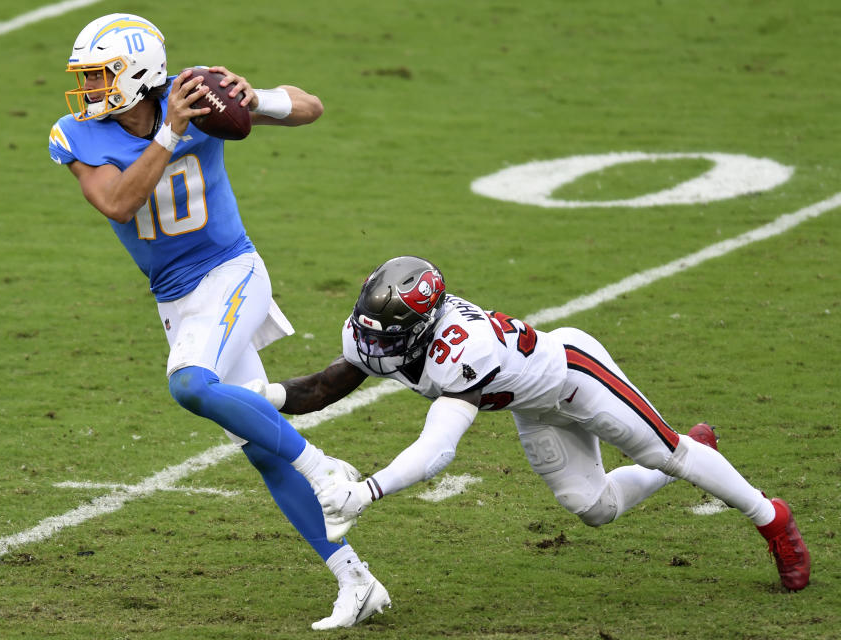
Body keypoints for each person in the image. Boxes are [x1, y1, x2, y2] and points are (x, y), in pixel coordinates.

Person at [46, 14, 390, 629]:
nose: (92, 89)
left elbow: (311, 107)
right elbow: (119, 204)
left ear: (141, 74)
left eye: (102, 75)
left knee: (189, 383)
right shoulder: (78, 134)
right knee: (261, 449)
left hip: (233, 273)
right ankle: (355, 580)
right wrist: (170, 135)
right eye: (88, 77)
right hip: (175, 299)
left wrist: (256, 99)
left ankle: (323, 467)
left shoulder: (198, 95)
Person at [249, 255, 811, 592]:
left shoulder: (460, 350)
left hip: (574, 378)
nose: (372, 344)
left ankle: (773, 520)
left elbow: (439, 447)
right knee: (596, 509)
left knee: (669, 454)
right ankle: (693, 445)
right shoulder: (378, 332)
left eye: (388, 334)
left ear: (422, 328)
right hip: (532, 405)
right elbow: (323, 388)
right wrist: (260, 397)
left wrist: (368, 491)